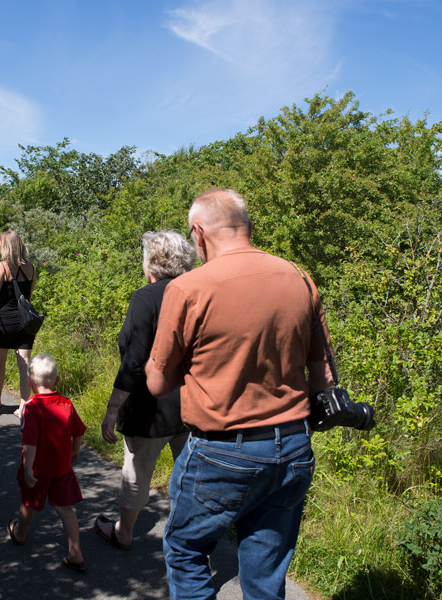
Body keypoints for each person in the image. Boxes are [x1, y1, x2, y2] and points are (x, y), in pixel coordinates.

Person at [145, 188, 335, 600]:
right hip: (293, 447)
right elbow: (323, 377)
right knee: (266, 575)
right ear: (247, 227)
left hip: (221, 451)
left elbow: (157, 384)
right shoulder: (299, 278)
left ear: (198, 234)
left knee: (185, 549)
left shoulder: (189, 288)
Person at [94, 231, 195, 551]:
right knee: (191, 476)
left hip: (150, 408)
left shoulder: (145, 297)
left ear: (150, 261)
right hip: (193, 404)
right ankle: (193, 541)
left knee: (137, 471)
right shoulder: (198, 293)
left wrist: (112, 409)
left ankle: (124, 533)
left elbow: (134, 361)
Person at [7, 354, 87, 573]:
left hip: (39, 469)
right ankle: (75, 552)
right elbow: (78, 431)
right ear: (57, 381)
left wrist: (28, 468)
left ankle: (20, 534)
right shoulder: (67, 404)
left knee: (29, 502)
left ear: (31, 384)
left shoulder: (31, 407)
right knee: (65, 508)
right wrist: (75, 451)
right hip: (62, 467)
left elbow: (30, 442)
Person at [0, 231, 37, 417]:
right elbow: (28, 294)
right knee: (24, 363)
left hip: (4, 321)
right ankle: (23, 405)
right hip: (24, 322)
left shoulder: (2, 267)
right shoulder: (30, 268)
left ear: (5, 246)